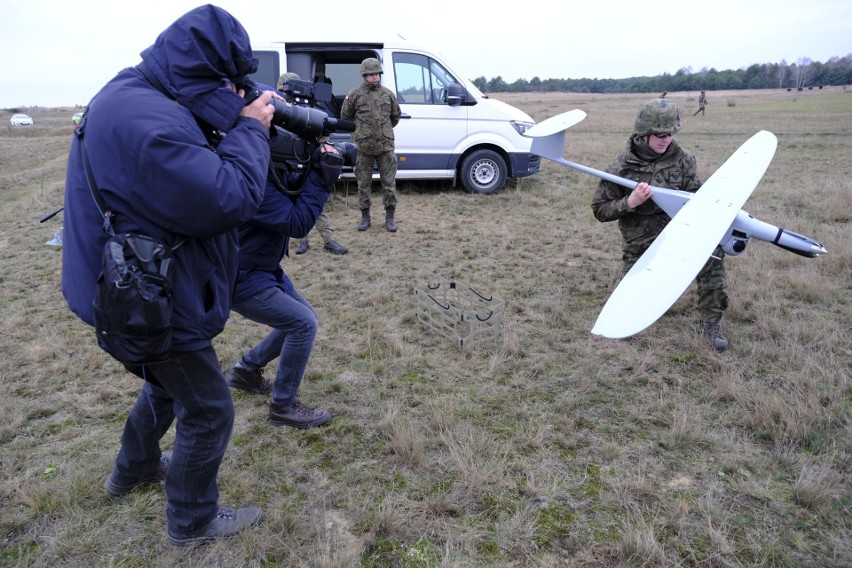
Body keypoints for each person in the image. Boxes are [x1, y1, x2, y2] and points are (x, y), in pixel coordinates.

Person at [61, 5, 275, 547]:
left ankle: (129, 473)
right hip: (149, 298)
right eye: (226, 82)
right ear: (201, 70)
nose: (233, 91)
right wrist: (250, 130)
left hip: (128, 288)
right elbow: (226, 198)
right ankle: (193, 521)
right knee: (207, 408)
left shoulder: (132, 94)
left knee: (163, 386)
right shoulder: (148, 121)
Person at [224, 120, 343, 429]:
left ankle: (245, 371)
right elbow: (298, 222)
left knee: (304, 318)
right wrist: (320, 179)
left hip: (261, 268)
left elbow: (292, 189)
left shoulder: (267, 167)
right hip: (241, 275)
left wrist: (311, 163)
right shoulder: (253, 177)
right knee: (302, 324)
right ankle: (283, 406)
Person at [591, 98, 730, 351]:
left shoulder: (684, 160)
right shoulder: (619, 168)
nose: (666, 139)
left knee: (714, 257)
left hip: (680, 234)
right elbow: (599, 210)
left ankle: (711, 323)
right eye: (659, 134)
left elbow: (697, 198)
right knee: (631, 303)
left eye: (670, 133)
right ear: (643, 134)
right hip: (640, 244)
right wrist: (629, 203)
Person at [276, 72, 348, 255]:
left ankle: (328, 240)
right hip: (284, 167)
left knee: (314, 204)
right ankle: (303, 241)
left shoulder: (308, 113)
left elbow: (323, 135)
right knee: (293, 205)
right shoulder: (276, 113)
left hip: (306, 163)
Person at [341, 57, 402, 233]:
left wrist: (383, 131)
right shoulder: (354, 94)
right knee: (363, 184)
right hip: (363, 147)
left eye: (376, 73)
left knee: (389, 183)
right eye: (371, 74)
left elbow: (395, 117)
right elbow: (345, 117)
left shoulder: (388, 94)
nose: (375, 77)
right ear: (364, 75)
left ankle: (390, 218)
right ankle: (365, 218)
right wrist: (360, 131)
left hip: (385, 147)